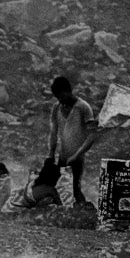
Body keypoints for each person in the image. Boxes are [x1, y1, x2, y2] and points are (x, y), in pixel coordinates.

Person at [48, 76, 97, 206]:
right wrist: (51, 154)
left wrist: (77, 155)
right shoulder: (57, 107)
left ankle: (85, 212)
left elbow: (92, 135)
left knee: (74, 188)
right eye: (58, 98)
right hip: (62, 155)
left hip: (77, 157)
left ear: (69, 91)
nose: (61, 101)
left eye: (62, 96)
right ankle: (61, 212)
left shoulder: (83, 107)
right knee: (57, 187)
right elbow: (53, 132)